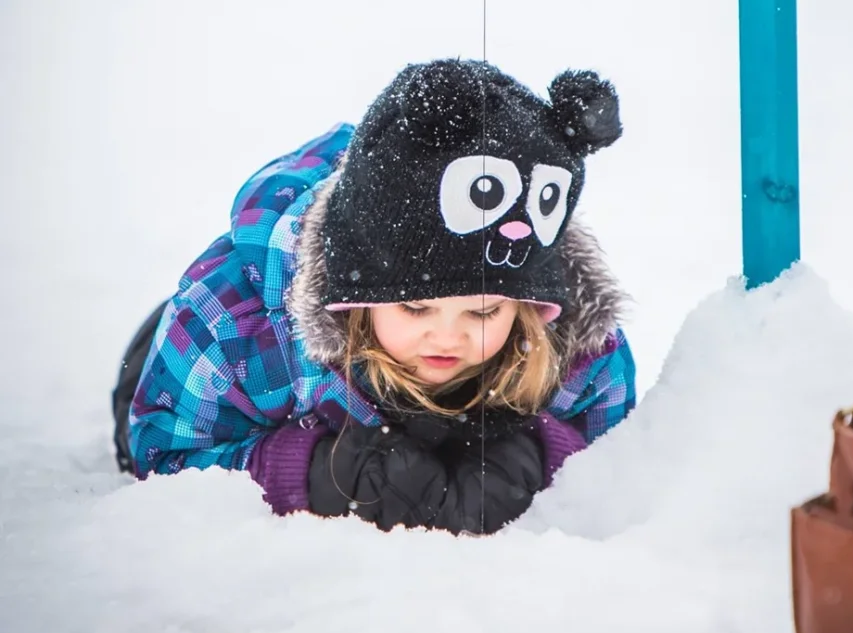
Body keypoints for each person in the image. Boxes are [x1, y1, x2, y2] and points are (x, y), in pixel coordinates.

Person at [113, 58, 635, 534]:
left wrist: (537, 454)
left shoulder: (575, 340)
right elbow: (164, 453)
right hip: (184, 369)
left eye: (483, 311)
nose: (448, 335)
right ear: (358, 300)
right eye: (415, 307)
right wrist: (313, 470)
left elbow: (621, 452)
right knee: (141, 377)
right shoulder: (235, 327)